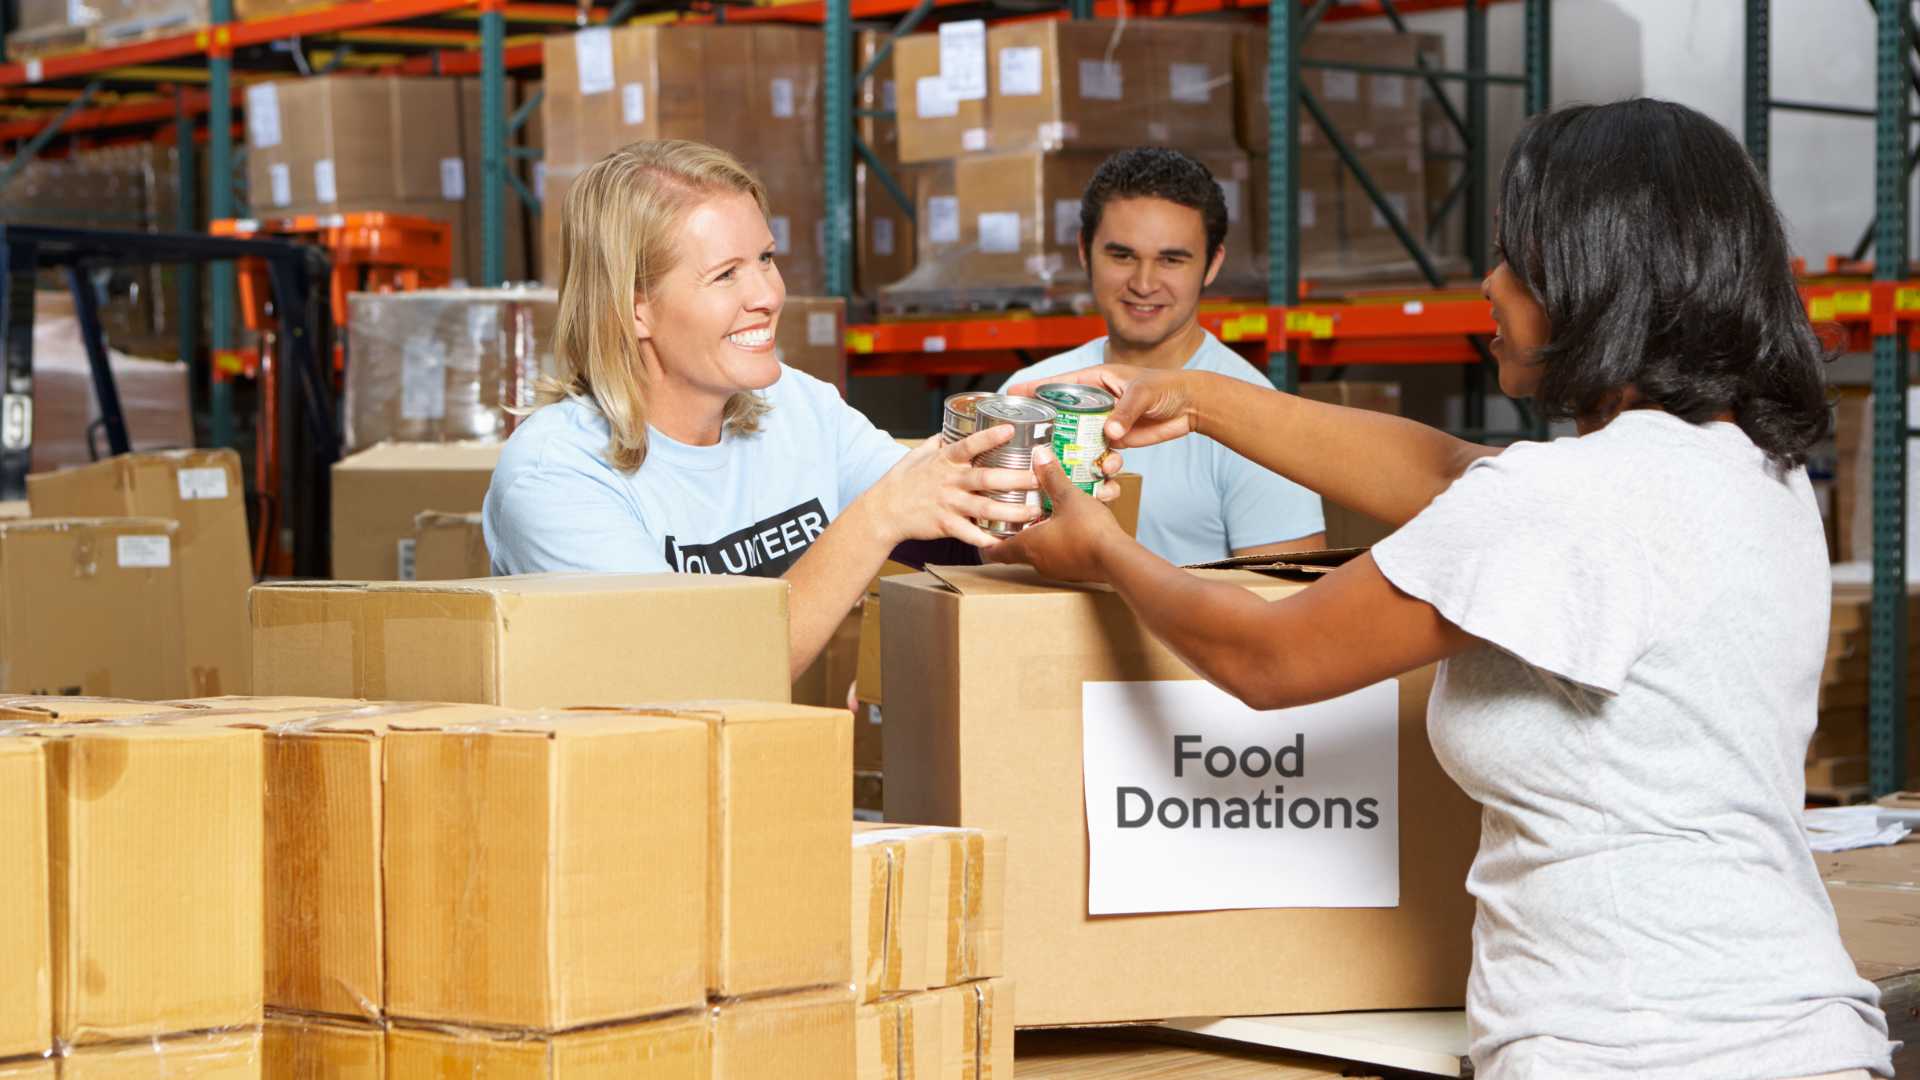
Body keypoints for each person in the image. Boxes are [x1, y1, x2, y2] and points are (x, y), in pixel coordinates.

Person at [991, 101, 1894, 1080]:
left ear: (1591, 275)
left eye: (1511, 255)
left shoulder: (1566, 502)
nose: (1489, 283)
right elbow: (1446, 476)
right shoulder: (1748, 468)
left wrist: (1101, 553)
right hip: (1799, 1030)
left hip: (1639, 1047)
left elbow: (1268, 657)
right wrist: (1198, 397)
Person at [483, 139, 1117, 676]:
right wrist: (877, 518)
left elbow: (960, 546)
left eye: (765, 258)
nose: (767, 294)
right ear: (633, 307)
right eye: (725, 274)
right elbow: (698, 679)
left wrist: (1036, 497)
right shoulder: (557, 476)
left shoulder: (794, 404)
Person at [998, 147, 1324, 565]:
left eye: (1171, 260)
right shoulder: (1030, 394)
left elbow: (1287, 602)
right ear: (1084, 251)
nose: (1144, 283)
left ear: (1212, 265)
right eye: (1122, 255)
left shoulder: (1256, 417)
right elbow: (984, 569)